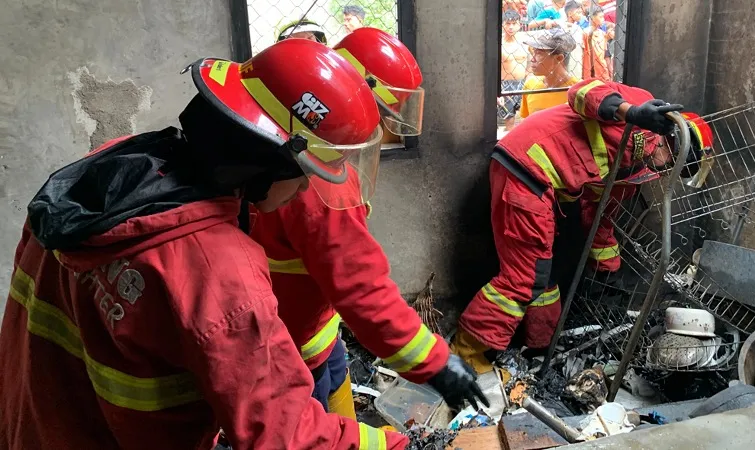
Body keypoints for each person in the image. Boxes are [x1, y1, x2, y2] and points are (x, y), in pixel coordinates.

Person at [0, 39, 412, 449]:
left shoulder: (101, 179)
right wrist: (400, 445)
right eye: (304, 170)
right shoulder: (220, 276)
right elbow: (287, 436)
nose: (306, 185)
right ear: (269, 158)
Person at [250, 27, 487, 418]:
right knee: (314, 430)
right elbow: (361, 289)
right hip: (291, 351)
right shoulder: (323, 185)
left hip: (311, 331)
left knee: (337, 381)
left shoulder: (284, 148)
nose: (381, 127)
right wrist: (437, 364)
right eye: (380, 112)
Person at [450, 78, 713, 374]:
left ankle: (537, 348)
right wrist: (631, 112)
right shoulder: (642, 104)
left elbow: (599, 214)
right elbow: (581, 92)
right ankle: (463, 354)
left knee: (543, 280)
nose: (665, 170)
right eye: (672, 163)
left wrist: (609, 271)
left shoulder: (638, 168)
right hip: (525, 169)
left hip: (541, 185)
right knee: (522, 278)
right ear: (673, 140)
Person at [519, 28, 580, 119]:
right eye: (533, 52)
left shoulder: (578, 91)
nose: (532, 59)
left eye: (539, 53)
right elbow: (525, 123)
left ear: (559, 58)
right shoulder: (530, 85)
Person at [499, 9, 529, 131]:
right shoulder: (499, 43)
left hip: (523, 83)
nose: (511, 27)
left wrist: (529, 77)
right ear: (502, 25)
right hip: (505, 85)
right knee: (510, 123)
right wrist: (496, 91)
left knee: (525, 119)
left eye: (514, 23)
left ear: (519, 25)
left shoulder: (525, 41)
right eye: (508, 23)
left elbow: (534, 60)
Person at [583, 6, 613, 81]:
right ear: (592, 18)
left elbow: (606, 55)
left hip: (603, 72)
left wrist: (610, 72)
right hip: (590, 73)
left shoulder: (602, 34)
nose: (603, 19)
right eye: (600, 17)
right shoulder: (585, 33)